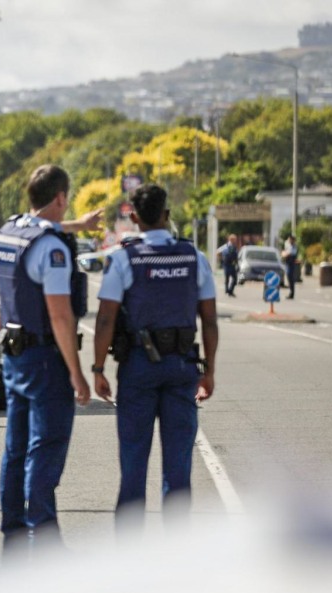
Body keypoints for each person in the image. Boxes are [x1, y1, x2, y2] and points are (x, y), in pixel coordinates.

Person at [90, 183, 218, 531]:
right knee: (178, 468)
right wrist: (209, 372)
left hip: (138, 369)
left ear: (134, 218)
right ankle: (175, 558)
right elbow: (208, 319)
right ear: (167, 215)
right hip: (182, 368)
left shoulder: (123, 259)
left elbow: (105, 319)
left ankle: (130, 558)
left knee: (133, 465)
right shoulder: (194, 257)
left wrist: (98, 368)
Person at [0, 164, 91, 556]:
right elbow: (60, 315)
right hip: (45, 358)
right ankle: (45, 537)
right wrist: (77, 373)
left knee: (16, 449)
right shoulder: (51, 248)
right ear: (61, 198)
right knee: (45, 448)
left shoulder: (9, 232)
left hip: (13, 355)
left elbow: (43, 233)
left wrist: (76, 227)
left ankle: (15, 532)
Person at [283, 235, 299, 299]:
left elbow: (289, 253)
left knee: (290, 278)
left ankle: (291, 293)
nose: (289, 241)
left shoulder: (294, 246)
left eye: (291, 240)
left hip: (291, 264)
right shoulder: (288, 245)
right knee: (289, 278)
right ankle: (291, 292)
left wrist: (285, 254)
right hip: (288, 263)